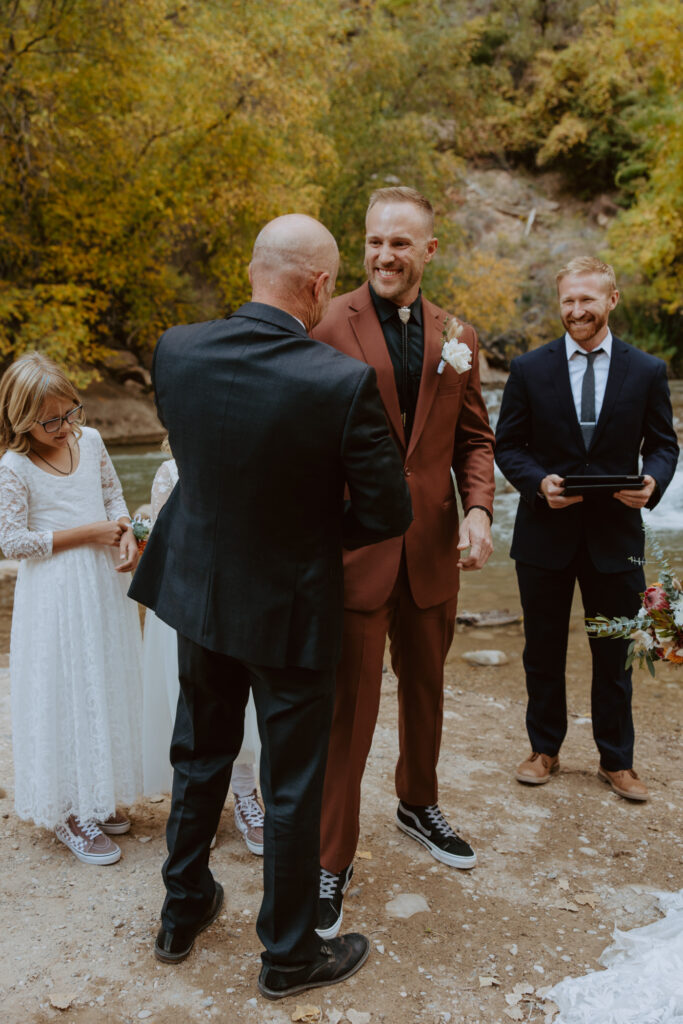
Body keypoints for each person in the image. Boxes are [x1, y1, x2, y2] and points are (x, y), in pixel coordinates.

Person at [128, 214, 413, 1000]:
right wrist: (313, 539)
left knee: (200, 753)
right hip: (289, 607)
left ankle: (181, 911)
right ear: (320, 285)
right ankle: (287, 956)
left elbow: (201, 458)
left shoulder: (176, 349)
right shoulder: (337, 381)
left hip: (201, 592)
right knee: (290, 784)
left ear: (253, 270)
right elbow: (387, 513)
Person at [311, 186, 496, 940]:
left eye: (399, 243)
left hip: (431, 551)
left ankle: (418, 804)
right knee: (345, 717)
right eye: (373, 241)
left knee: (425, 692)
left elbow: (473, 441)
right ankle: (330, 860)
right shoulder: (323, 325)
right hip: (353, 553)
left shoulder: (459, 336)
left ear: (429, 249)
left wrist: (480, 509)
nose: (384, 255)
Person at [495, 256, 679, 801]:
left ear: (612, 300)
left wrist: (653, 483)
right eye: (568, 302)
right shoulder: (529, 369)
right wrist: (537, 483)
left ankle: (617, 761)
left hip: (616, 538)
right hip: (543, 535)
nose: (577, 311)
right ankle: (544, 750)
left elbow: (664, 446)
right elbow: (508, 445)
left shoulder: (646, 370)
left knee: (618, 655)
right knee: (541, 650)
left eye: (587, 301)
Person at [0, 351, 143, 865]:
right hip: (56, 595)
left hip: (103, 586)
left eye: (71, 412)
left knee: (100, 683)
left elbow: (113, 498)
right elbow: (11, 542)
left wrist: (126, 533)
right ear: (21, 420)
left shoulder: (94, 441)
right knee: (64, 691)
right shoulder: (14, 467)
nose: (65, 427)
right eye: (51, 420)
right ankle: (67, 810)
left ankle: (95, 795)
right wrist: (88, 533)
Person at [142, 447, 265, 855]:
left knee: (243, 707)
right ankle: (199, 808)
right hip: (186, 606)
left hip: (238, 601)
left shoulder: (245, 460)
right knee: (192, 710)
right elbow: (162, 538)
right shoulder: (170, 471)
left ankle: (247, 797)